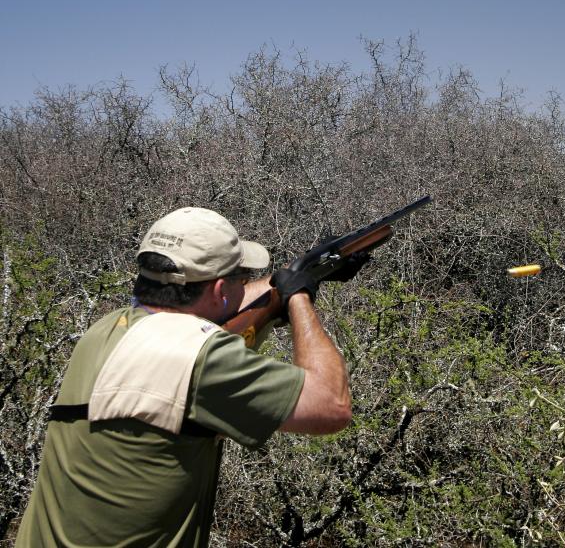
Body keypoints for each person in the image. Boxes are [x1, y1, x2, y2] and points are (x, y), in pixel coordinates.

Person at [15, 207, 357, 547]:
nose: (246, 284)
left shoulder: (105, 330)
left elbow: (203, 328)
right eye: (241, 279)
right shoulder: (203, 359)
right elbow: (331, 405)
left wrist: (298, 274)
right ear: (222, 290)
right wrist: (299, 296)